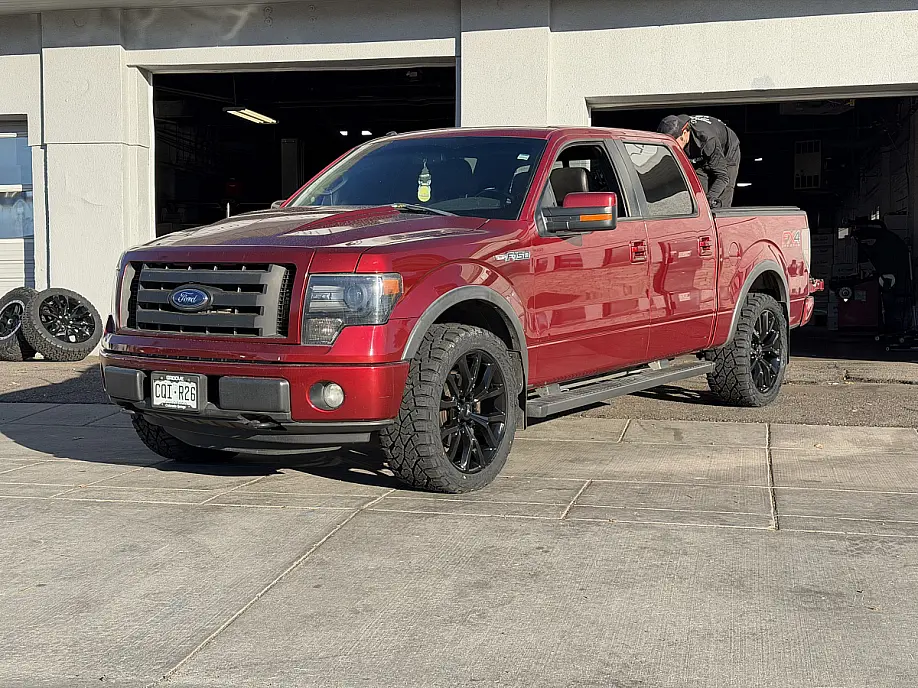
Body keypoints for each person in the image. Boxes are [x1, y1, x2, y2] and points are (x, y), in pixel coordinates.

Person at [657, 114, 741, 208]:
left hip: (727, 149)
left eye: (674, 143)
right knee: (699, 192)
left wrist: (710, 199)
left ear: (685, 133)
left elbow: (722, 177)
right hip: (699, 150)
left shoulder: (707, 139)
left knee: (723, 192)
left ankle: (722, 213)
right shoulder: (676, 130)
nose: (672, 148)